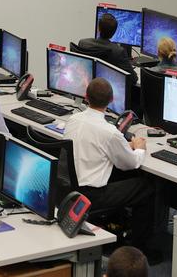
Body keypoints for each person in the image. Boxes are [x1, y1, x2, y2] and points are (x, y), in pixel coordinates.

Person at [64, 78, 158, 263]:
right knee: (146, 186)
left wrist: (123, 145)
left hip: (70, 189)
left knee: (123, 175)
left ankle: (118, 224)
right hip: (92, 195)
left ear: (85, 97)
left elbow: (99, 146)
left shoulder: (73, 120)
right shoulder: (110, 132)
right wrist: (138, 147)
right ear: (111, 100)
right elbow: (131, 163)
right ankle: (140, 249)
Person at [78, 13, 137, 84]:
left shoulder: (83, 43)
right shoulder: (118, 51)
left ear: (98, 28)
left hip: (86, 84)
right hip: (106, 89)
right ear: (114, 32)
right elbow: (133, 78)